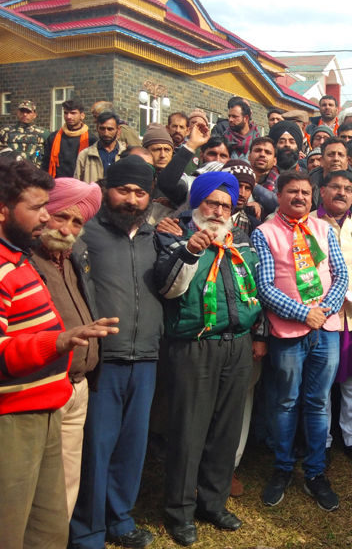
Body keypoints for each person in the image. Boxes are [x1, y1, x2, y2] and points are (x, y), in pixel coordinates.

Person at [0, 161, 117, 549]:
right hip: (16, 415)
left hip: (54, 399)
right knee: (11, 525)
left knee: (48, 525)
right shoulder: (8, 264)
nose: (49, 218)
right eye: (38, 208)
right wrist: (59, 342)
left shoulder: (23, 259)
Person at [154, 172, 263, 546]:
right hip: (194, 347)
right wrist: (191, 250)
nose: (217, 211)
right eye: (211, 203)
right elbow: (169, 290)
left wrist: (257, 333)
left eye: (225, 205)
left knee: (225, 429)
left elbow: (254, 289)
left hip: (237, 344)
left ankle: (212, 503)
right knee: (188, 431)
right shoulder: (172, 237)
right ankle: (180, 511)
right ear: (196, 203)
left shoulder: (241, 241)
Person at [70, 156, 163, 549]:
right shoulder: (85, 233)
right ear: (107, 189)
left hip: (146, 357)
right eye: (123, 190)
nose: (131, 199)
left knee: (131, 446)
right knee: (96, 446)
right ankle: (87, 531)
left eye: (140, 193)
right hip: (103, 359)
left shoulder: (156, 235)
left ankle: (120, 519)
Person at [253, 170, 348, 512]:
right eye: (292, 191)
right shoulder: (264, 233)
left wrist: (325, 309)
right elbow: (264, 286)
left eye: (305, 193)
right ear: (278, 195)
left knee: (318, 401)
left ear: (313, 196)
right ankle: (282, 468)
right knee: (286, 402)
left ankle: (316, 471)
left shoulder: (324, 229)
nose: (300, 198)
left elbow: (340, 274)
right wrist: (302, 313)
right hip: (288, 333)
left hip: (325, 329)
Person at [31, 178, 102, 519]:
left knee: (66, 482)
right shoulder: (23, 261)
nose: (68, 228)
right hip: (41, 385)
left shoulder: (72, 257)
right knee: (31, 486)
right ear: (45, 214)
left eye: (77, 222)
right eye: (62, 216)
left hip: (78, 386)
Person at [312, 171, 352, 469]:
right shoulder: (310, 221)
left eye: (348, 189)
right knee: (322, 383)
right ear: (322, 191)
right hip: (322, 317)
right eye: (335, 187)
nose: (342, 193)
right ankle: (321, 441)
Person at [42, 99, 98, 179]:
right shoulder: (53, 137)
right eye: (66, 113)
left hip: (81, 185)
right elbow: (46, 163)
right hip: (57, 184)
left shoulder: (91, 140)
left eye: (73, 113)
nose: (69, 116)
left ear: (82, 115)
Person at [74, 112, 125, 184]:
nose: (106, 133)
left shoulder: (126, 154)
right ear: (97, 128)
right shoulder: (85, 155)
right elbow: (77, 184)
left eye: (110, 129)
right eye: (102, 129)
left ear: (118, 130)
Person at [0, 99, 48, 166]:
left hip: (34, 174)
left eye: (28, 112)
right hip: (11, 172)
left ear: (35, 115)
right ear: (17, 112)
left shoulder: (43, 134)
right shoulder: (6, 132)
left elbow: (49, 157)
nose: (25, 114)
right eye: (22, 111)